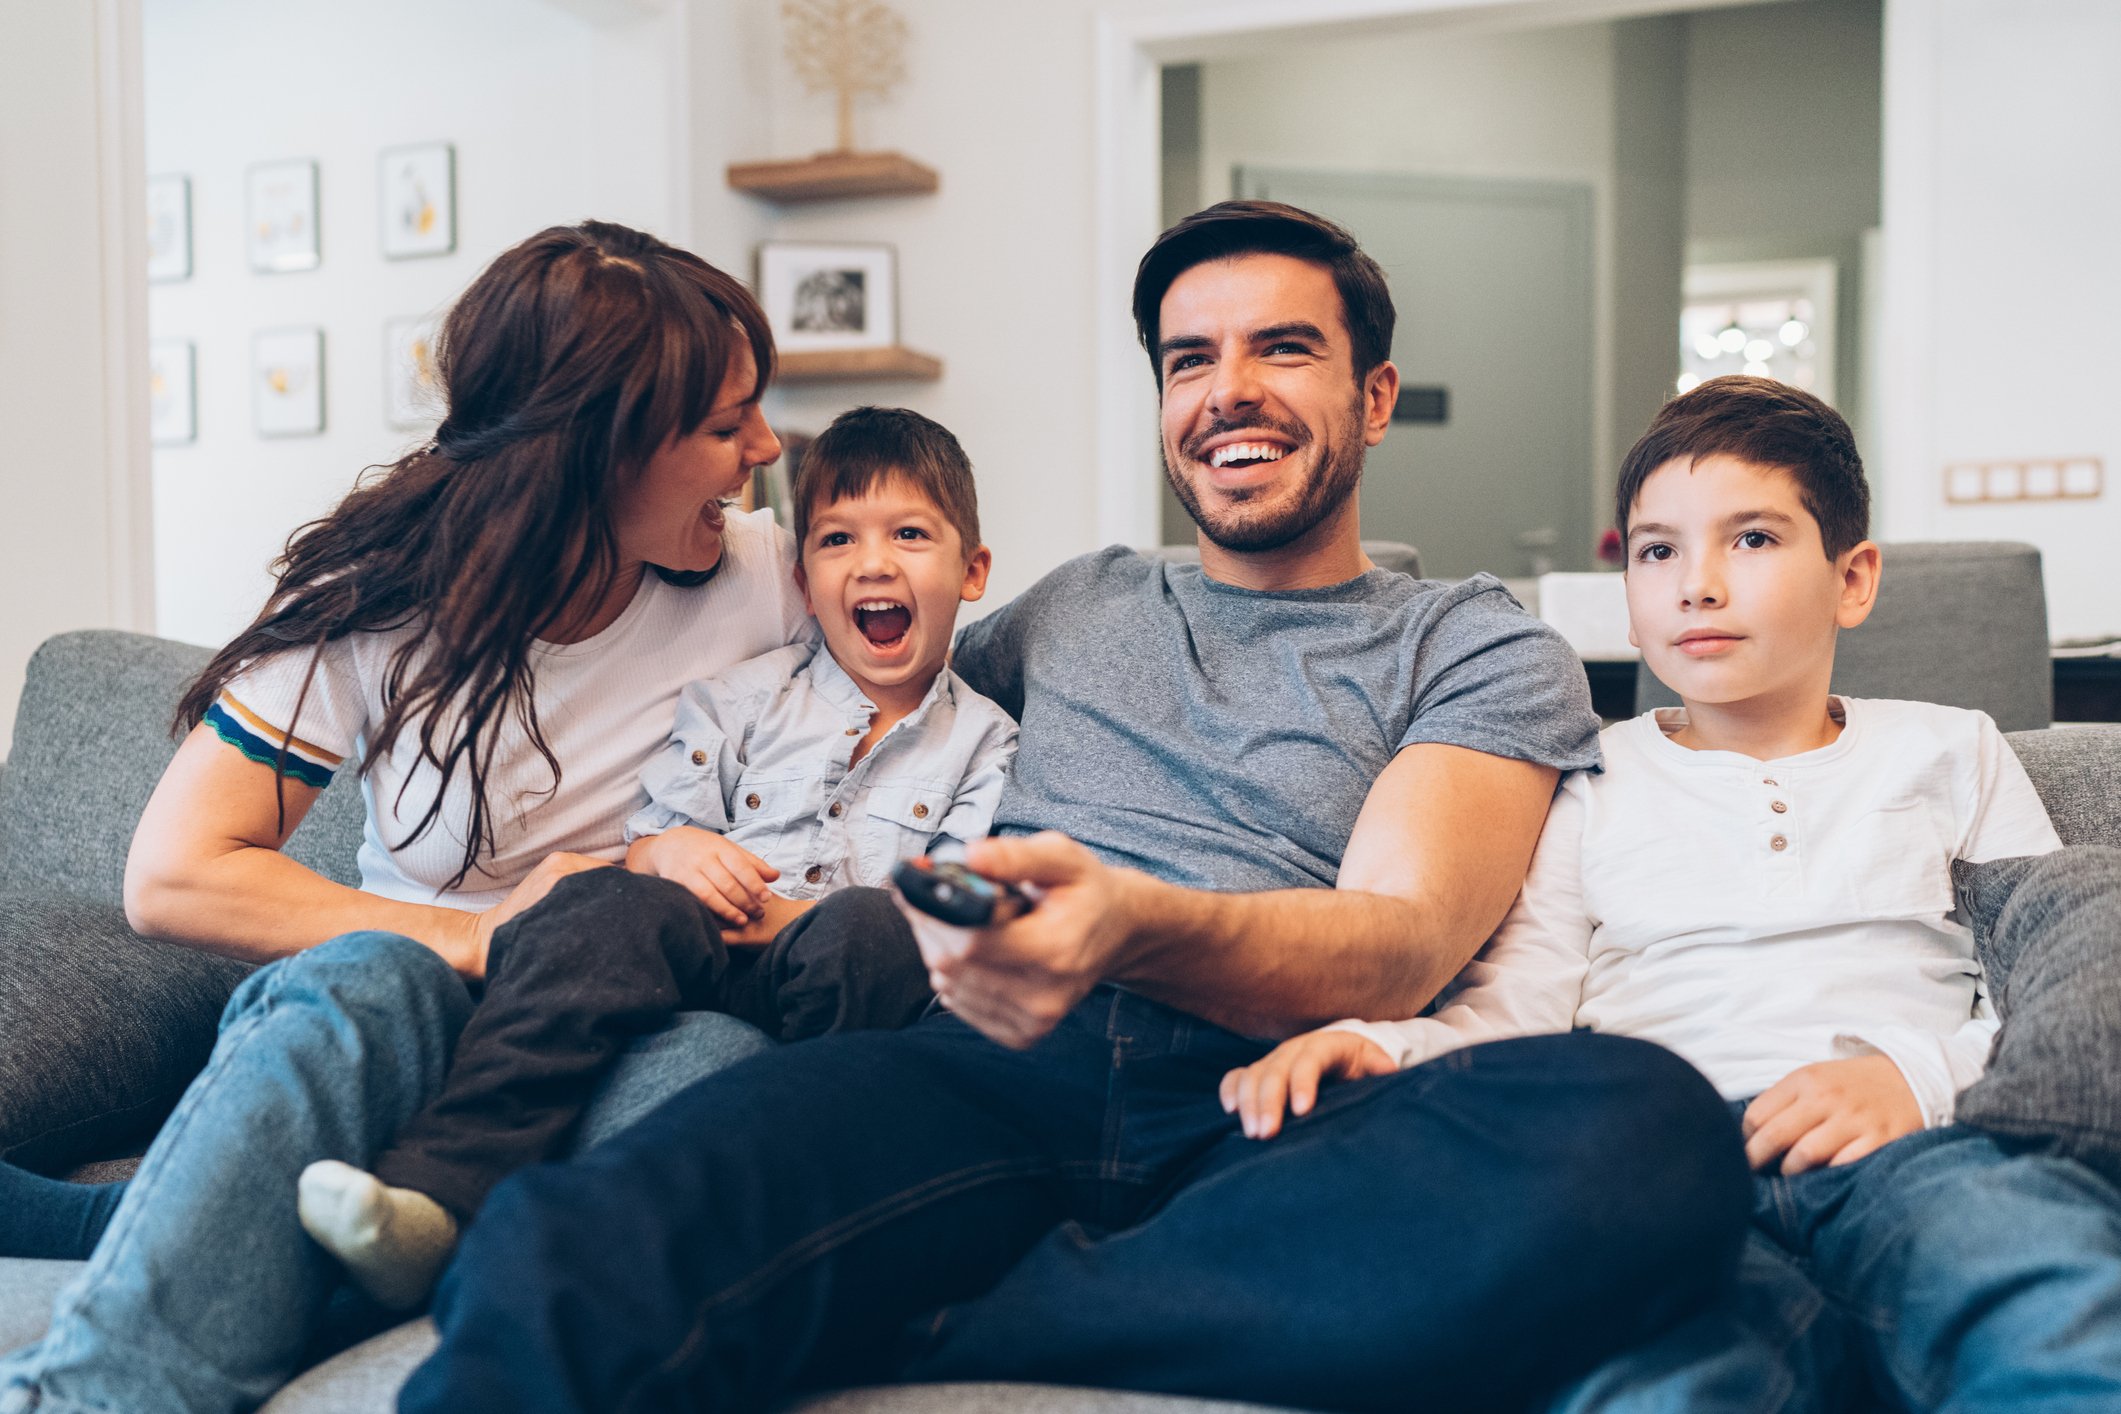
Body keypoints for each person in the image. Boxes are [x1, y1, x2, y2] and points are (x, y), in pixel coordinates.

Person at [396, 201, 1752, 1414]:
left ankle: (968, 1323)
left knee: (1645, 1134)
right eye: (1188, 359)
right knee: (565, 1241)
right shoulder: (1075, 604)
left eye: (1281, 349)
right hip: (979, 1065)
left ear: (1375, 393)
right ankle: (1057, 1303)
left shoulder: (1469, 641)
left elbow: (1397, 940)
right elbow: (842, 691)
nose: (1229, 393)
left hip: (1270, 1102)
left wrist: (1132, 925)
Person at [0, 220, 830, 1414]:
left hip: (636, 1017)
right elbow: (174, 873)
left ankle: (132, 1222)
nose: (765, 447)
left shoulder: (772, 580)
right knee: (363, 976)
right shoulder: (383, 597)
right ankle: (98, 1394)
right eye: (722, 425)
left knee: (717, 1068)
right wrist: (482, 934)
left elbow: (949, 660)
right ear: (594, 450)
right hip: (418, 998)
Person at [1224, 375, 2121, 1411]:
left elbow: (2050, 991)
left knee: (2048, 1290)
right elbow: (1521, 1007)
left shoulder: (1953, 746)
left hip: (1915, 1149)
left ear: (1854, 577)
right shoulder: (1588, 772)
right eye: (1658, 550)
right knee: (1667, 1381)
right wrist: (1383, 1044)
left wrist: (1914, 1078)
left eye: (1751, 539)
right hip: (1662, 1176)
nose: (1696, 583)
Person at [294, 405, 1018, 1310]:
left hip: (837, 971)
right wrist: (669, 850)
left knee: (874, 931)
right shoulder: (738, 699)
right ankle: (439, 1189)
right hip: (696, 947)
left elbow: (952, 906)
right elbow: (653, 841)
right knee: (598, 903)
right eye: (837, 540)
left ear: (973, 569)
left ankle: (830, 1201)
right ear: (803, 576)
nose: (872, 563)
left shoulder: (990, 744)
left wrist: (807, 917)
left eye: (910, 534)